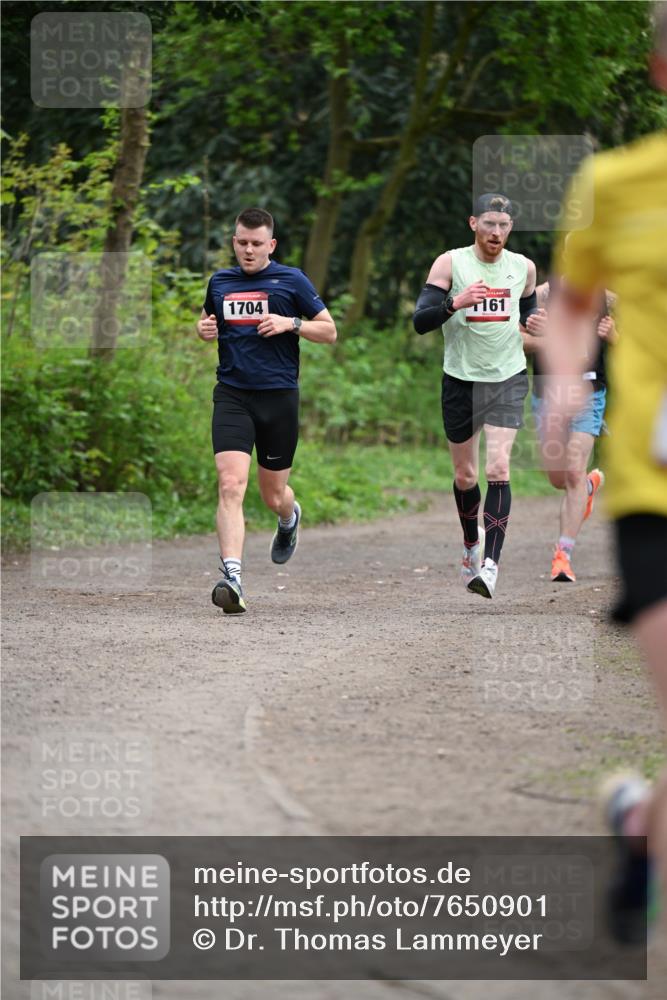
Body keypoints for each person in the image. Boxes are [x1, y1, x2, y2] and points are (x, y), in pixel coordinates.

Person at [544, 0, 667, 941]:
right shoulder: (616, 184)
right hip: (652, 483)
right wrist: (561, 385)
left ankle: (638, 827)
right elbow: (575, 299)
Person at [197, 207, 337, 614]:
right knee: (230, 484)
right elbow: (208, 320)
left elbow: (329, 331)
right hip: (233, 394)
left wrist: (291, 323)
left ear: (271, 245)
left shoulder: (291, 280)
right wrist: (202, 329)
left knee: (272, 495)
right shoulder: (220, 282)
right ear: (234, 241)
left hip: (278, 397)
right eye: (241, 242)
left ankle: (289, 517)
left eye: (257, 244)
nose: (248, 250)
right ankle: (233, 578)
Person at [413, 193, 538, 598]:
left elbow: (529, 320)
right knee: (466, 476)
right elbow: (420, 321)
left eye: (503, 225)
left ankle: (490, 566)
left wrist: (539, 324)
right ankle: (471, 544)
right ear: (473, 224)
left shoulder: (524, 268)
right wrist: (455, 302)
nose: (496, 232)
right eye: (489, 224)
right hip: (460, 379)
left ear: (510, 228)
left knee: (498, 468)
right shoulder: (450, 263)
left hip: (507, 377)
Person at [522, 277, 616, 582]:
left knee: (574, 471)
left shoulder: (609, 296)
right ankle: (587, 488)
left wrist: (614, 336)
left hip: (590, 391)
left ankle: (563, 555)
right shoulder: (540, 295)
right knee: (558, 478)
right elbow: (515, 337)